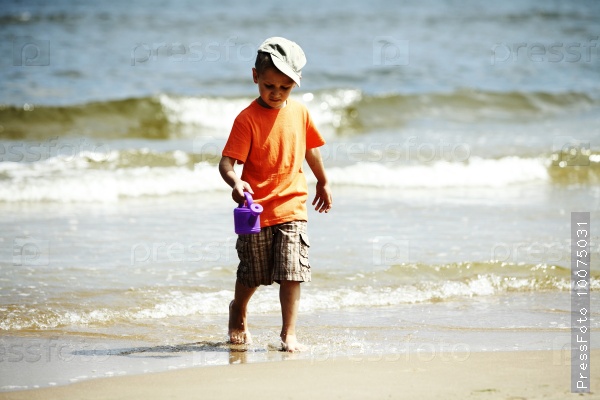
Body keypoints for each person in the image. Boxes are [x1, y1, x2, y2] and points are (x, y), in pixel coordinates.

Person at [219, 37, 332, 352]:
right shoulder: (247, 119)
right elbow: (227, 162)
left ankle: (288, 333)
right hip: (255, 209)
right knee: (252, 273)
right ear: (255, 76)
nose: (276, 93)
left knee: (292, 271)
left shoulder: (300, 112)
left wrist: (323, 181)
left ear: (295, 84)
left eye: (284, 87)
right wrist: (235, 182)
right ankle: (238, 310)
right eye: (269, 85)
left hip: (292, 205)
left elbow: (310, 149)